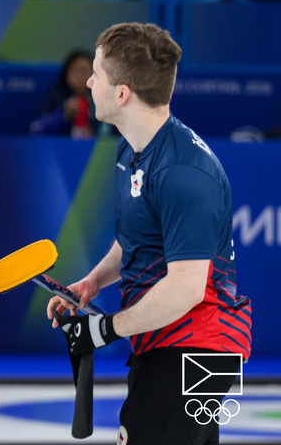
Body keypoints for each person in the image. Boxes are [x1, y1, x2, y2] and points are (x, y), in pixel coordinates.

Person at [47, 23, 252, 445]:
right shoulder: (133, 146)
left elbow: (186, 289)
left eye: (98, 74)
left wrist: (104, 330)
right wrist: (92, 283)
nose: (88, 82)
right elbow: (133, 240)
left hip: (199, 347)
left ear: (122, 94)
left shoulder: (182, 172)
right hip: (165, 340)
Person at [29, 49, 98, 139]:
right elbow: (36, 128)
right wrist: (64, 115)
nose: (79, 76)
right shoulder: (56, 96)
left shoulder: (100, 99)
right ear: (66, 73)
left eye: (84, 71)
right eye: (75, 71)